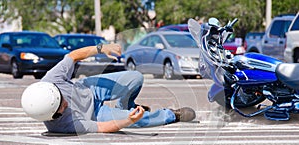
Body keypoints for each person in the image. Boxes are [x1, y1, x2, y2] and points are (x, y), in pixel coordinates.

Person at [21, 43, 196, 134]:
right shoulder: (61, 126)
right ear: (52, 116)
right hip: (95, 115)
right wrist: (128, 121)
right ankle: (172, 115)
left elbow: (73, 56)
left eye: (61, 99)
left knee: (135, 77)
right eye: (60, 109)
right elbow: (103, 127)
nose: (65, 104)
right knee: (137, 120)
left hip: (89, 88)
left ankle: (125, 105)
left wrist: (101, 48)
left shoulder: (51, 79)